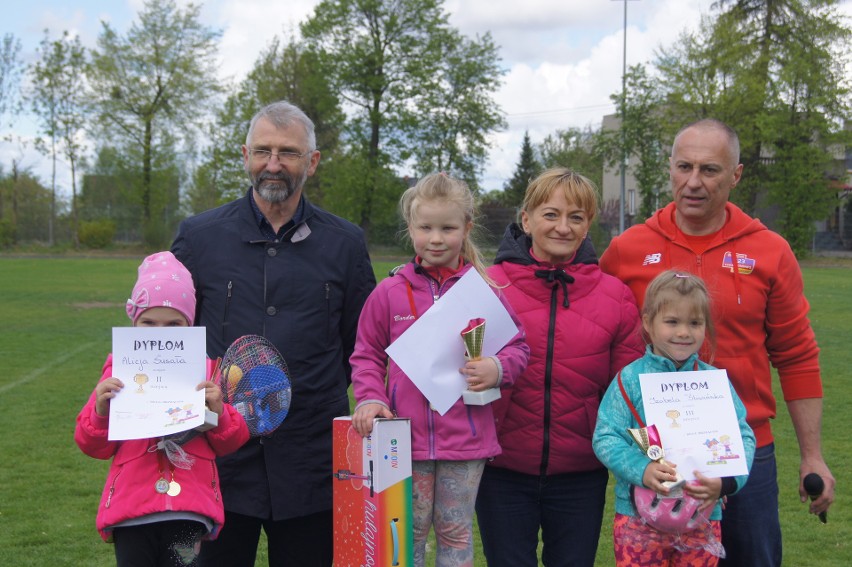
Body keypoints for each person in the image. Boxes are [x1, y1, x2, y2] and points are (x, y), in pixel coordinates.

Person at [599, 118, 835, 566]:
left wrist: (813, 456)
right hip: (654, 462)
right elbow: (592, 334)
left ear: (736, 174)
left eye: (709, 170)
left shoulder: (769, 250)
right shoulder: (628, 249)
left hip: (743, 458)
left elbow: (798, 355)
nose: (693, 182)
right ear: (669, 168)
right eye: (683, 166)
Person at [171, 101, 376, 566]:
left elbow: (360, 345)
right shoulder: (199, 237)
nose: (274, 164)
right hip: (219, 458)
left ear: (313, 161)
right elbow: (169, 337)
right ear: (245, 154)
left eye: (288, 152)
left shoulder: (344, 243)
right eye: (263, 150)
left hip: (312, 461)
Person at [349, 172, 530, 567]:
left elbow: (517, 346)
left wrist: (497, 368)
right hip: (402, 439)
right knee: (406, 532)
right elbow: (366, 354)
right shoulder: (389, 291)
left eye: (447, 228)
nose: (436, 238)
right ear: (410, 228)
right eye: (425, 227)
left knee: (455, 532)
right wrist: (371, 397)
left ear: (466, 228)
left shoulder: (483, 289)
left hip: (466, 442)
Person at [475, 168, 645, 567]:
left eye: (576, 217)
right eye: (550, 214)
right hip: (501, 469)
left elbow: (629, 394)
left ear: (588, 225)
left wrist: (654, 456)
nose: (563, 227)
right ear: (527, 219)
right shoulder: (485, 285)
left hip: (580, 474)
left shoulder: (615, 296)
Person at [74, 251, 250, 567]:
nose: (161, 333)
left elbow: (233, 440)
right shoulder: (118, 371)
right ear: (134, 323)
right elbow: (92, 445)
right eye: (149, 323)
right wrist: (101, 410)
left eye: (174, 324)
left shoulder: (207, 371)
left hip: (188, 508)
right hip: (132, 510)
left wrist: (219, 411)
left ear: (190, 324)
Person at [593, 270, 756, 566]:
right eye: (672, 322)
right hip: (637, 519)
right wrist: (642, 470)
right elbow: (606, 436)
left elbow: (743, 436)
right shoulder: (630, 380)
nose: (684, 332)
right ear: (648, 323)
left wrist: (727, 482)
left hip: (702, 517)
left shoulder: (713, 382)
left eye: (695, 323)